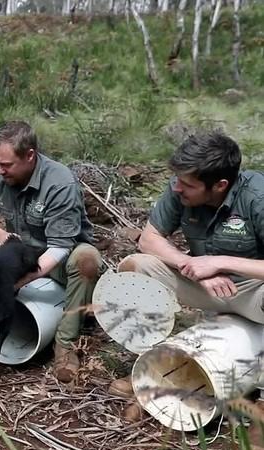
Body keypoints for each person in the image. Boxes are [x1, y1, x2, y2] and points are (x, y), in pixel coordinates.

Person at [110, 132, 264, 419]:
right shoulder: (181, 186)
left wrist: (217, 261)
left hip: (253, 294)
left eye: (187, 185)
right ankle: (151, 362)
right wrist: (192, 267)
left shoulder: (257, 197)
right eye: (177, 180)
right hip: (204, 288)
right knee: (136, 266)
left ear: (220, 185)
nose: (177, 188)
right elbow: (149, 239)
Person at [0, 121, 106, 382]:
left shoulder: (59, 182)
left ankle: (65, 344)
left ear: (30, 156)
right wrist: (0, 235)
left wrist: (17, 283)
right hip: (17, 254)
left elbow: (60, 247)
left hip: (58, 258)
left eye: (6, 165)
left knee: (87, 260)